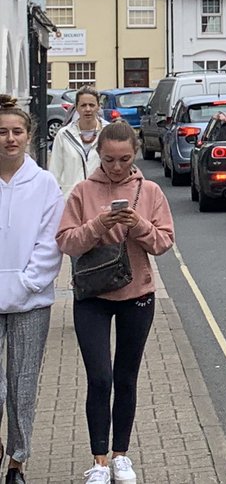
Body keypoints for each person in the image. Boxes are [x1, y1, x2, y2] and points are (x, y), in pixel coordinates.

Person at [56, 122, 175, 484]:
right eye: (109, 159)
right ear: (99, 156)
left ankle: (121, 455)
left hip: (136, 294)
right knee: (99, 377)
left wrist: (136, 223)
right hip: (92, 294)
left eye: (124, 159)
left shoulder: (150, 191)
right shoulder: (81, 191)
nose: (117, 167)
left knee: (126, 377)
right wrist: (98, 224)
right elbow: (67, 243)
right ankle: (99, 460)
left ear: (134, 154)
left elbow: (163, 243)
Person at [0, 95, 65, 484]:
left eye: (16, 131)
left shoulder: (44, 183)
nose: (9, 138)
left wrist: (25, 285)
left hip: (31, 300)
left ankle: (17, 463)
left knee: (22, 384)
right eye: (2, 132)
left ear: (29, 136)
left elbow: (50, 242)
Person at [48, 85, 106, 197]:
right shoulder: (64, 134)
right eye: (83, 105)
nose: (88, 109)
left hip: (100, 199)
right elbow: (55, 171)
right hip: (71, 199)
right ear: (76, 108)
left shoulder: (108, 132)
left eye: (92, 105)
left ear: (98, 107)